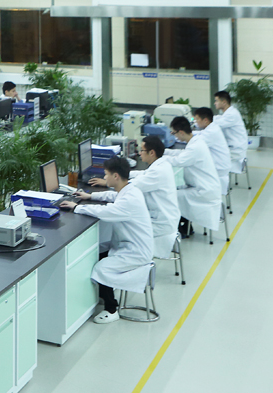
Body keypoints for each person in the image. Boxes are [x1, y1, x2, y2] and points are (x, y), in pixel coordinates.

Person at [60, 156, 153, 324]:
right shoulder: (129, 189)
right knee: (99, 252)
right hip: (127, 244)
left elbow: (106, 212)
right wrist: (90, 196)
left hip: (136, 252)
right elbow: (112, 195)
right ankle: (102, 295)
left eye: (106, 174)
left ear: (115, 176)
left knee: (101, 268)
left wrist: (78, 207)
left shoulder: (129, 199)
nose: (104, 178)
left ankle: (111, 309)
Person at [83, 135, 179, 258]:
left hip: (160, 224)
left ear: (152, 153)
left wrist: (107, 182)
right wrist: (121, 173)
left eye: (142, 150)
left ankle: (111, 255)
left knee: (118, 224)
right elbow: (142, 174)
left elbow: (128, 186)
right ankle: (108, 252)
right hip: (164, 219)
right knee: (117, 223)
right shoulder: (161, 166)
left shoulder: (157, 172)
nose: (139, 153)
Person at [165, 116, 221, 237]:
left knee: (172, 196)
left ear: (181, 132)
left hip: (204, 191)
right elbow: (181, 154)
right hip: (202, 187)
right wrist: (164, 151)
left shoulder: (195, 146)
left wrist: (159, 158)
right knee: (177, 193)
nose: (175, 136)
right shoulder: (196, 142)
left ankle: (181, 230)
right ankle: (186, 228)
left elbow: (178, 161)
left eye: (174, 133)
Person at [193, 107, 230, 197]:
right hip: (220, 167)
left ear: (205, 120)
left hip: (218, 170)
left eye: (197, 119)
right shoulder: (212, 128)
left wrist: (181, 135)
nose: (195, 122)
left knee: (191, 172)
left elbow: (195, 141)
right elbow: (199, 134)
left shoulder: (211, 132)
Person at [213, 90, 248, 170]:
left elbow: (215, 124)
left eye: (216, 101)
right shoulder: (228, 113)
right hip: (232, 148)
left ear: (224, 102)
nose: (215, 103)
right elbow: (216, 119)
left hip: (235, 151)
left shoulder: (232, 115)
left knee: (210, 157)